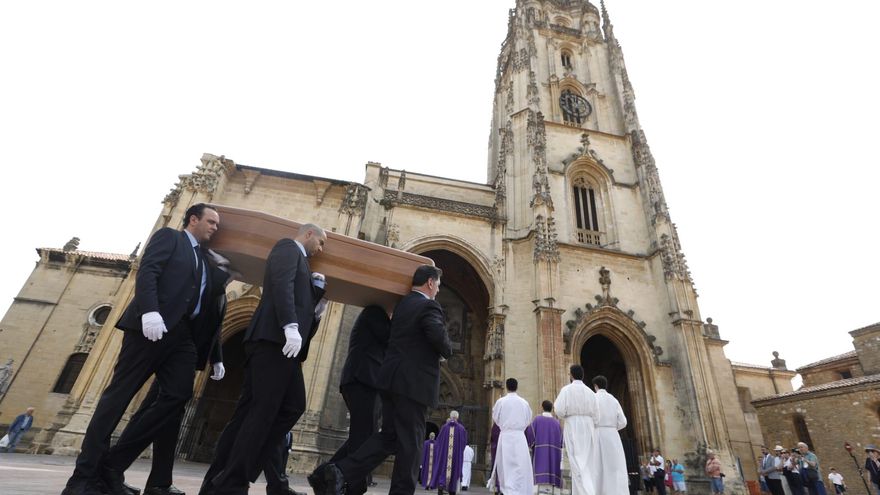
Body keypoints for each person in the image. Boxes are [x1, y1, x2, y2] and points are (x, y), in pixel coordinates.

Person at [62, 203, 227, 495]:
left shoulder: (202, 258)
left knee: (178, 396)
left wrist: (225, 271)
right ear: (193, 219)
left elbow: (208, 298)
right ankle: (83, 479)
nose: (216, 227)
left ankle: (111, 465)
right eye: (212, 222)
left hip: (182, 337)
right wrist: (150, 311)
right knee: (118, 398)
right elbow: (149, 271)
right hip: (151, 328)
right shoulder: (170, 238)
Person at [200, 224, 328, 495]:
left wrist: (315, 310)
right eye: (321, 241)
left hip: (283, 345)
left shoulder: (303, 263)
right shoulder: (287, 248)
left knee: (277, 409)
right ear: (308, 234)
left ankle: (226, 477)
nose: (321, 248)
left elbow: (298, 301)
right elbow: (280, 285)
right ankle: (232, 481)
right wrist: (289, 326)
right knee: (264, 412)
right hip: (273, 341)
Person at [323, 265, 452, 495]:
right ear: (430, 283)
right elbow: (437, 336)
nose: (438, 291)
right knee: (411, 444)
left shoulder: (402, 306)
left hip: (389, 381)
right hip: (413, 385)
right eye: (438, 286)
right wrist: (446, 349)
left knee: (389, 437)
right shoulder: (428, 305)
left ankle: (338, 471)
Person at [309, 305, 391, 495]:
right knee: (363, 437)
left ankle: (323, 475)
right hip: (362, 380)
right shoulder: (375, 311)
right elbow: (391, 338)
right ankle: (354, 485)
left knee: (363, 435)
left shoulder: (378, 316)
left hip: (366, 381)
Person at [554, 365, 599, 495]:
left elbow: (559, 410)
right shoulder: (590, 392)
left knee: (576, 461)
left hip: (573, 425)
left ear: (571, 375)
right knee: (588, 462)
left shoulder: (566, 390)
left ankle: (586, 492)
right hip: (588, 426)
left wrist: (568, 415)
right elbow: (597, 415)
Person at [491, 378, 534, 495]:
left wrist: (504, 427)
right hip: (519, 437)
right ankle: (519, 490)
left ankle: (508, 490)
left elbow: (495, 417)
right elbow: (528, 419)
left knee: (505, 465)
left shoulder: (501, 402)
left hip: (505, 437)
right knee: (520, 465)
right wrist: (520, 428)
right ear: (517, 386)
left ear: (507, 386)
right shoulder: (524, 402)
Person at [592, 376, 628, 495]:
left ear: (595, 386)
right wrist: (613, 428)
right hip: (613, 435)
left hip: (598, 433)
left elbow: (591, 418)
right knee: (615, 466)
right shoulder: (614, 400)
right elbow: (623, 421)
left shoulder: (594, 398)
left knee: (597, 466)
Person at [430, 411, 468, 495]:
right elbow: (464, 443)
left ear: (450, 417)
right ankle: (452, 490)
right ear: (457, 417)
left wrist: (441, 452)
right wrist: (458, 451)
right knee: (454, 471)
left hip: (444, 456)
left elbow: (439, 441)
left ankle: (441, 488)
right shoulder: (461, 429)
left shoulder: (444, 427)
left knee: (443, 470)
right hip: (455, 457)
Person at [530, 400, 563, 492]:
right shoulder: (557, 423)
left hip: (540, 455)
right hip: (553, 456)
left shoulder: (537, 420)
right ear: (552, 409)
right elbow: (561, 441)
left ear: (542, 407)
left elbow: (530, 436)